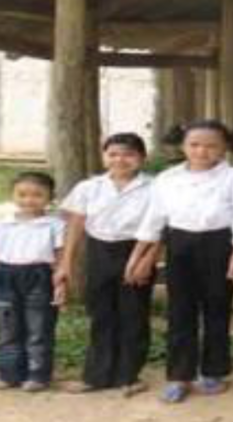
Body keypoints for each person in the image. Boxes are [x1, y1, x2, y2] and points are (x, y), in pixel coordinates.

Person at [128, 120, 233, 404]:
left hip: (220, 244)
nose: (202, 151)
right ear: (183, 146)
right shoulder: (168, 178)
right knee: (180, 311)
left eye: (212, 146)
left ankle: (213, 370)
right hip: (180, 245)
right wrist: (138, 257)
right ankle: (179, 375)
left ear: (225, 148)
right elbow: (154, 220)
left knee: (217, 308)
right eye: (195, 144)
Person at [56, 133, 155, 397]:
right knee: (101, 314)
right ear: (104, 157)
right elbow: (75, 227)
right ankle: (96, 376)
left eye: (128, 154)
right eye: (113, 154)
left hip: (136, 249)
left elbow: (160, 228)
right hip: (99, 252)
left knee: (133, 314)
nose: (120, 159)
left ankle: (129, 375)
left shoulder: (155, 187)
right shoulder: (89, 187)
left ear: (142, 158)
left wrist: (147, 260)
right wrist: (65, 264)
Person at [0, 171, 66, 392]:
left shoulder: (54, 225)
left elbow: (59, 257)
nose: (29, 200)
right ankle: (7, 374)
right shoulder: (0, 224)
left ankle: (38, 375)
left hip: (39, 276)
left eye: (37, 195)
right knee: (7, 329)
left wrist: (60, 284)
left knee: (39, 328)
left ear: (50, 197)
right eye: (22, 194)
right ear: (12, 196)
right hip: (4, 276)